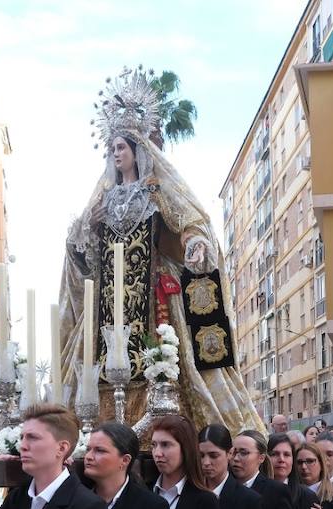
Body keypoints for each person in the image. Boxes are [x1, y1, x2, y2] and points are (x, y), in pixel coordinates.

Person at [56, 68, 261, 436]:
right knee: (94, 361)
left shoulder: (155, 192)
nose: (115, 153)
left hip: (153, 301)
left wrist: (195, 243)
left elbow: (191, 220)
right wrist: (88, 226)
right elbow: (78, 254)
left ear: (137, 151)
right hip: (107, 303)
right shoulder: (101, 199)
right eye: (112, 148)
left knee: (174, 359)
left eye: (121, 147)